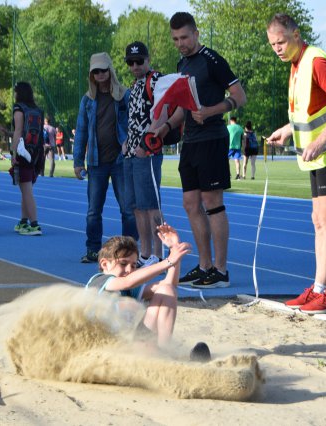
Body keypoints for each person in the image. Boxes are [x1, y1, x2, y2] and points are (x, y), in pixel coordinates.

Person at [265, 14, 326, 314]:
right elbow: (309, 111)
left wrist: (320, 141)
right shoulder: (296, 65)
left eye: (281, 42)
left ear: (296, 35)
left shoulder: (316, 60)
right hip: (318, 154)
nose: (277, 48)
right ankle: (320, 287)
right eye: (272, 44)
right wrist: (287, 129)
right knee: (318, 220)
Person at [155, 12, 247, 288]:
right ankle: (204, 265)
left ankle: (221, 270)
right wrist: (166, 126)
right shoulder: (182, 63)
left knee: (212, 203)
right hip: (191, 143)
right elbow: (185, 106)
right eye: (175, 39)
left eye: (184, 37)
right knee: (190, 204)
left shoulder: (213, 60)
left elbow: (239, 97)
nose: (180, 43)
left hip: (212, 139)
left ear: (196, 33)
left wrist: (211, 111)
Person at [73, 52, 137, 263]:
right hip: (96, 162)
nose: (99, 74)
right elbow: (81, 131)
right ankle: (93, 249)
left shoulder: (124, 96)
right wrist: (77, 161)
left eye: (103, 70)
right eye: (95, 71)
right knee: (93, 211)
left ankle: (130, 251)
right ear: (91, 75)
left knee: (127, 209)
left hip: (120, 160)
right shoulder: (87, 100)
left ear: (110, 71)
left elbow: (134, 125)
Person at [86, 223, 191, 348]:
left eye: (134, 265)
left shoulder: (129, 288)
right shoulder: (99, 281)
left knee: (166, 289)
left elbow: (170, 286)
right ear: (104, 264)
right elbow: (127, 282)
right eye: (123, 263)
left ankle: (165, 350)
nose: (129, 269)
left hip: (132, 345)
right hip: (104, 347)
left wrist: (174, 251)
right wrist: (168, 261)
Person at [122, 41, 164, 268]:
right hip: (131, 152)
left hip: (148, 152)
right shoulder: (135, 85)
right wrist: (128, 140)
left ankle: (158, 253)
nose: (135, 65)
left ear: (148, 60)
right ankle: (145, 252)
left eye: (139, 61)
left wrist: (146, 143)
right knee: (136, 205)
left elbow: (163, 112)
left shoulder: (156, 80)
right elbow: (135, 118)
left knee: (151, 204)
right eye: (131, 62)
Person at [0, 81, 44, 236]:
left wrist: (14, 154)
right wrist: (6, 132)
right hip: (35, 154)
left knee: (26, 190)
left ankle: (35, 224)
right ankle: (23, 221)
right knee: (26, 189)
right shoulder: (37, 110)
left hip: (22, 153)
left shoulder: (19, 109)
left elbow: (18, 132)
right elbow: (27, 133)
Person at [227, 116, 244, 180]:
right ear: (235, 120)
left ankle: (229, 174)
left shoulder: (228, 127)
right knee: (237, 160)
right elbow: (243, 136)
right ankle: (238, 175)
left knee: (226, 160)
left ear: (231, 121)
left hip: (229, 146)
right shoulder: (240, 127)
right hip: (237, 146)